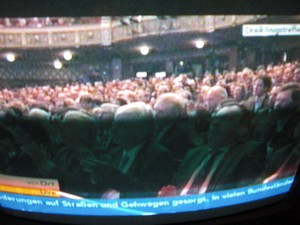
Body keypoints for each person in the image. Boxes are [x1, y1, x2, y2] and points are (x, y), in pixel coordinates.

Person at [159, 102, 265, 196]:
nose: (215, 123)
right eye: (215, 118)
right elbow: (176, 186)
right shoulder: (193, 154)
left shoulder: (249, 152)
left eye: (225, 119)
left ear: (242, 128)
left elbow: (243, 195)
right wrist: (170, 194)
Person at [82, 102, 175, 198]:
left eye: (120, 126)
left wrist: (111, 174)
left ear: (140, 132)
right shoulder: (116, 153)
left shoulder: (159, 157)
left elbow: (149, 194)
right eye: (114, 125)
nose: (112, 130)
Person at [153, 93, 196, 166]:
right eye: (155, 110)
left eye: (161, 112)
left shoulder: (182, 136)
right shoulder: (154, 128)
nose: (155, 114)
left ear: (174, 114)